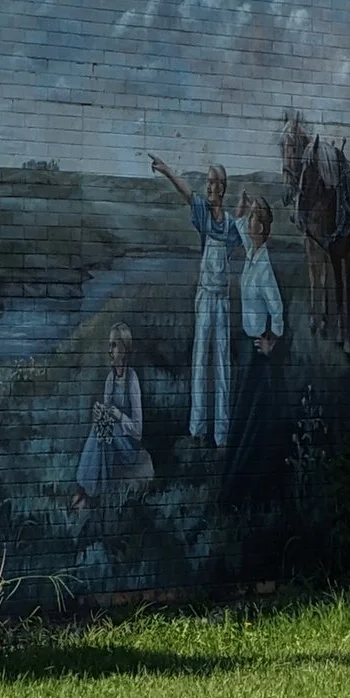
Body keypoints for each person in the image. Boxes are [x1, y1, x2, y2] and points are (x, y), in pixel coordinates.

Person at [150, 153, 245, 448]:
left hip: (222, 301)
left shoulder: (229, 224)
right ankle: (198, 428)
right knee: (200, 359)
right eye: (209, 181)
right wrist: (167, 170)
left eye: (216, 183)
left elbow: (238, 237)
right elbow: (186, 192)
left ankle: (221, 433)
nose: (211, 187)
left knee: (222, 365)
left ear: (223, 188)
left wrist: (243, 210)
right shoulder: (202, 212)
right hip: (205, 297)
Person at [219, 191, 288, 521]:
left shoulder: (264, 268)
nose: (253, 224)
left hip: (258, 354)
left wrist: (271, 342)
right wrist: (241, 211)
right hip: (248, 350)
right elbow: (237, 227)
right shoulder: (251, 254)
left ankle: (243, 494)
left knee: (252, 422)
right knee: (244, 417)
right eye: (253, 219)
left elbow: (278, 310)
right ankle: (236, 492)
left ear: (266, 228)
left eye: (259, 220)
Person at [73, 324, 154, 519]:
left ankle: (87, 492)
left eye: (114, 345)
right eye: (109, 345)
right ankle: (88, 491)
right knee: (99, 431)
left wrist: (117, 415)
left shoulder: (132, 380)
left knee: (105, 432)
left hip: (130, 446)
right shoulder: (110, 378)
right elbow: (106, 417)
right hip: (114, 441)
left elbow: (137, 429)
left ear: (125, 349)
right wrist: (101, 413)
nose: (110, 350)